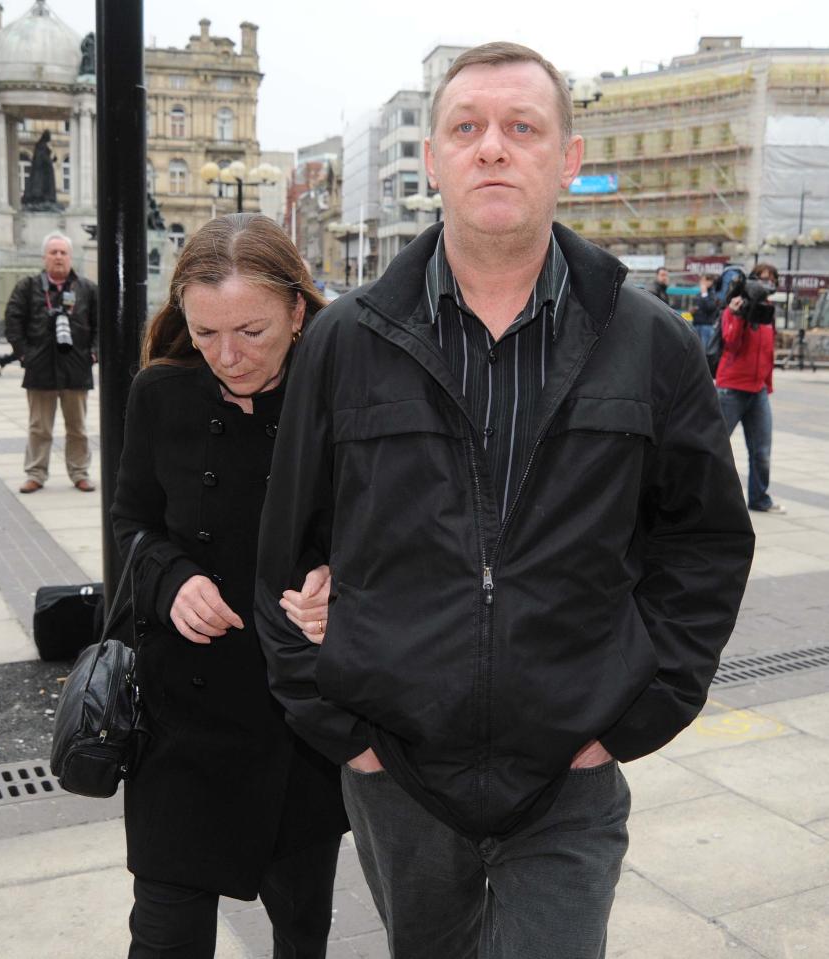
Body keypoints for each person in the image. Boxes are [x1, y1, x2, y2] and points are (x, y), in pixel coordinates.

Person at [255, 42, 755, 959]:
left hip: (570, 770)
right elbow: (286, 551)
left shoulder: (651, 342)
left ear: (565, 158)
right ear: (435, 160)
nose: (493, 147)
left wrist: (634, 716)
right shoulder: (342, 342)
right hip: (398, 768)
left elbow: (706, 546)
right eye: (467, 128)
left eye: (522, 127)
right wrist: (344, 733)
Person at [111, 213, 348, 958]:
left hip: (299, 719)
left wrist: (338, 578)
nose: (227, 355)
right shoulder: (160, 393)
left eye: (250, 330)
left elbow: (388, 526)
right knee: (164, 938)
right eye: (205, 332)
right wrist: (171, 578)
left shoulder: (342, 396)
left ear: (297, 310)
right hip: (182, 719)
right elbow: (132, 524)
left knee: (301, 931)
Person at [4, 231, 98, 493]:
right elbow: (13, 321)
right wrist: (24, 354)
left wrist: (93, 353)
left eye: (63, 252)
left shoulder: (87, 289)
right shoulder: (28, 287)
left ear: (70, 257)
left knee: (77, 428)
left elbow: (100, 326)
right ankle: (35, 473)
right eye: (53, 252)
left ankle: (79, 472)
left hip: (76, 369)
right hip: (40, 369)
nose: (58, 257)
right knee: (39, 427)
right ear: (44, 257)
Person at [716, 262, 784, 514]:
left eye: (772, 280)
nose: (767, 284)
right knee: (714, 446)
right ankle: (702, 496)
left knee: (762, 451)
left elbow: (768, 351)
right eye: (762, 279)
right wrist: (735, 315)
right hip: (730, 390)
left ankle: (759, 498)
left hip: (758, 391)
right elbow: (731, 346)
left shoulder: (767, 313)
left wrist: (767, 383)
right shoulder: (735, 308)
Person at [692, 273, 720, 349]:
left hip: (706, 326)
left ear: (710, 282)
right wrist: (693, 311)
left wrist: (704, 294)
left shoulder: (713, 294)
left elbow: (710, 308)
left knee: (704, 351)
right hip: (696, 324)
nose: (701, 282)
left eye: (703, 280)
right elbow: (698, 306)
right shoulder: (699, 294)